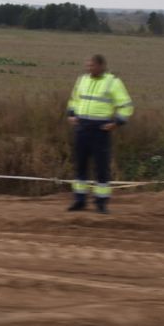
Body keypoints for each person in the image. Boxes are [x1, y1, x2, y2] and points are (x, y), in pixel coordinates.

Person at [64, 53, 133, 213]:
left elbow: (126, 105)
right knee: (80, 165)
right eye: (88, 65)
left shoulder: (113, 82)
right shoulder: (82, 79)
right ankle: (79, 200)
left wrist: (117, 123)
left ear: (102, 66)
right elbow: (74, 99)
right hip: (81, 127)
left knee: (101, 168)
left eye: (92, 65)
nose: (89, 68)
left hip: (100, 130)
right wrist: (71, 115)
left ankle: (101, 204)